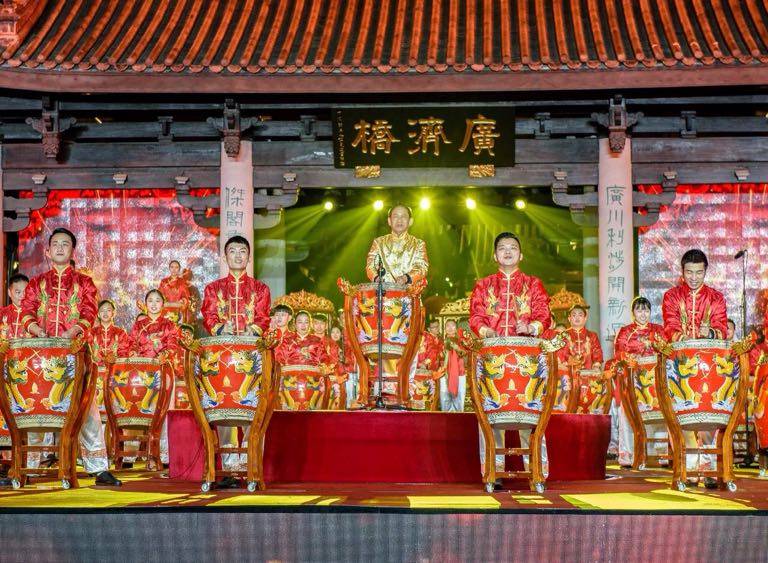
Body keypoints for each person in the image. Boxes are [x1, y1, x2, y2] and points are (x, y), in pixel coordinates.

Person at [20, 228, 121, 486]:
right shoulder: (36, 283)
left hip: (75, 356)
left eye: (65, 244)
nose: (60, 248)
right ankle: (30, 467)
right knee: (36, 408)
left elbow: (89, 312)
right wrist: (37, 330)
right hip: (42, 357)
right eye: (55, 244)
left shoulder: (84, 283)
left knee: (87, 409)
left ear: (72, 251)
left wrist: (72, 331)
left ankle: (99, 469)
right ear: (47, 251)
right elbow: (27, 311)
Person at [469, 232, 552, 479]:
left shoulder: (533, 284)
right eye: (502, 248)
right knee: (490, 415)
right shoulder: (483, 285)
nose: (507, 251)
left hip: (525, 359)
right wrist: (486, 331)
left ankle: (536, 468)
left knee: (531, 414)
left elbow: (544, 314)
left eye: (513, 247)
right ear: (495, 255)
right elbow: (475, 316)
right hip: (492, 357)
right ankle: (492, 470)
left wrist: (532, 327)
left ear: (521, 255)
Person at [200, 236, 271, 485]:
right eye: (233, 251)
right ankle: (230, 469)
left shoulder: (260, 289)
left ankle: (250, 465)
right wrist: (221, 328)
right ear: (225, 256)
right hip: (223, 359)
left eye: (242, 251)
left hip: (251, 358)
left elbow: (263, 318)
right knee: (224, 408)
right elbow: (209, 316)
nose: (238, 255)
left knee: (254, 410)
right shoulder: (213, 288)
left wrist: (253, 329)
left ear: (249, 257)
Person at [662, 248, 728, 489]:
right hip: (679, 364)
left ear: (706, 271)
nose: (693, 277)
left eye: (699, 272)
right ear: (682, 271)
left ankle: (708, 468)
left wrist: (710, 333)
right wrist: (682, 338)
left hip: (709, 367)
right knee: (681, 418)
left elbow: (722, 328)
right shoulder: (671, 296)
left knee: (709, 417)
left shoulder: (716, 297)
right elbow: (669, 325)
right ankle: (690, 468)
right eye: (689, 272)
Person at [610, 297, 665, 467]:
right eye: (639, 310)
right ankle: (628, 454)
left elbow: (666, 348)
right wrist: (632, 357)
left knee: (660, 413)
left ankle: (661, 453)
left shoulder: (658, 330)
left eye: (646, 310)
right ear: (633, 312)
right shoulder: (625, 331)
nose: (643, 314)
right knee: (628, 414)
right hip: (633, 379)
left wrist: (653, 345)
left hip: (655, 380)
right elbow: (619, 353)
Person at [276, 311, 333, 409]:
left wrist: (324, 364)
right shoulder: (287, 340)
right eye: (300, 322)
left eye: (306, 322)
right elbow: (279, 355)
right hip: (290, 377)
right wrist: (281, 364)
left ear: (310, 324)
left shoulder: (316, 340)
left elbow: (324, 357)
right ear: (295, 324)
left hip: (313, 378)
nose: (303, 325)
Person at [88, 300, 130, 431]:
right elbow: (88, 353)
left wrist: (115, 359)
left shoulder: (120, 332)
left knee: (114, 410)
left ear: (114, 313)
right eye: (102, 310)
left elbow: (124, 353)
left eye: (108, 310)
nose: (105, 313)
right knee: (95, 412)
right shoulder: (91, 333)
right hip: (95, 376)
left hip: (113, 375)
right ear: (98, 314)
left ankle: (114, 438)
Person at [366, 204, 429, 286]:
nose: (399, 220)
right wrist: (376, 277)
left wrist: (406, 278)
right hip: (384, 291)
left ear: (410, 221)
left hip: (409, 292)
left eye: (403, 216)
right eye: (396, 216)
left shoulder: (418, 244)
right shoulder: (378, 242)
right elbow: (370, 265)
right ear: (389, 221)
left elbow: (422, 267)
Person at [441, 320, 466, 412]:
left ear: (456, 329)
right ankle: (445, 418)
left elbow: (465, 353)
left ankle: (459, 418)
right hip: (444, 373)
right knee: (445, 397)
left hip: (459, 372)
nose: (450, 328)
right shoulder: (441, 342)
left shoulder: (461, 341)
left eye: (453, 326)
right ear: (445, 329)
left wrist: (457, 349)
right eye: (448, 326)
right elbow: (437, 356)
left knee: (459, 397)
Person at [0, 273, 29, 339]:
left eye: (25, 292)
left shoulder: (33, 314)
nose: (22, 296)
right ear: (9, 292)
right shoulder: (2, 313)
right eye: (18, 292)